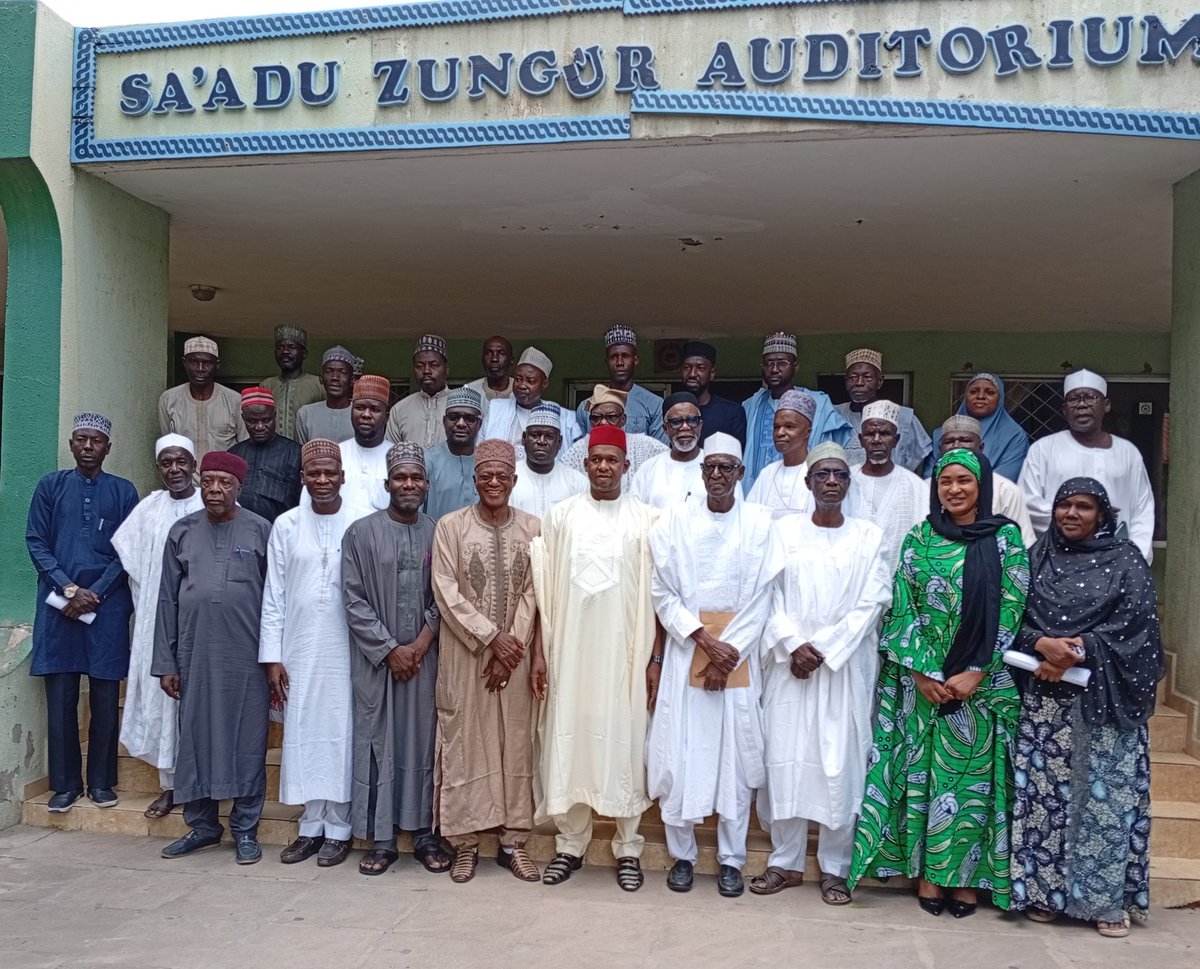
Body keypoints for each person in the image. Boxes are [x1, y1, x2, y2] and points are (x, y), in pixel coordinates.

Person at [849, 449, 1030, 917]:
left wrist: (977, 670)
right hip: (925, 685)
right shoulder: (919, 537)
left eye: (963, 481)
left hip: (980, 687)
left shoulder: (1006, 539)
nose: (953, 489)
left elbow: (1012, 606)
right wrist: (921, 671)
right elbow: (902, 606)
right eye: (944, 481)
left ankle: (967, 881)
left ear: (982, 487)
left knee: (972, 789)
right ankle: (929, 876)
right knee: (926, 781)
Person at [1010, 478, 1164, 937]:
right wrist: (1041, 644)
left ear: (1103, 515)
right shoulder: (1038, 556)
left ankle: (1104, 903)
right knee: (1046, 800)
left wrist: (1077, 651)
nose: (1071, 514)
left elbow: (1138, 631)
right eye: (1063, 505)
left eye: (1083, 507)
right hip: (1045, 704)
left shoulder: (1125, 560)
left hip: (1105, 701)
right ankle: (1044, 894)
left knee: (1105, 803)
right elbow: (1011, 613)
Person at [749, 442, 891, 905]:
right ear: (808, 482)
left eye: (839, 475)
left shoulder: (868, 536)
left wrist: (824, 649)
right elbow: (765, 594)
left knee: (840, 766)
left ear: (849, 484)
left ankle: (835, 868)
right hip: (790, 668)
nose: (831, 481)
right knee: (786, 761)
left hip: (842, 669)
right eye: (823, 474)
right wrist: (793, 645)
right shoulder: (782, 531)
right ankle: (785, 862)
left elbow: (873, 601)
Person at [646, 433, 781, 898]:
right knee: (681, 756)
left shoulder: (762, 524)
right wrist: (704, 639)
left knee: (735, 762)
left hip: (738, 659)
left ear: (741, 473)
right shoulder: (675, 523)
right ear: (701, 473)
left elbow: (765, 596)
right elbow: (661, 591)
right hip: (689, 650)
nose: (718, 475)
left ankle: (731, 860)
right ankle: (682, 856)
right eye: (711, 468)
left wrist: (729, 653)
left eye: (727, 468)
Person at [532, 424, 661, 892]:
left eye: (612, 460)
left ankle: (628, 848)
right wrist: (541, 656)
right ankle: (571, 845)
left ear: (627, 466)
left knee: (624, 744)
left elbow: (660, 598)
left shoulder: (648, 520)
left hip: (626, 659)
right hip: (568, 653)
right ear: (585, 464)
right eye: (596, 459)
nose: (604, 467)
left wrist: (654, 660)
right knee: (573, 742)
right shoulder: (560, 516)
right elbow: (543, 592)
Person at [431, 439, 543, 884]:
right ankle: (465, 843)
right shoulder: (450, 527)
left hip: (513, 656)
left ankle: (514, 841)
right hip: (464, 654)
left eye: (502, 476)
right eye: (486, 476)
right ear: (474, 480)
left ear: (515, 481)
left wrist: (511, 645)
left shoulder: (534, 529)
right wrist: (491, 638)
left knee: (514, 741)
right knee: (465, 740)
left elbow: (536, 590)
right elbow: (444, 589)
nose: (494, 483)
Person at [154, 451, 272, 865]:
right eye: (208, 482)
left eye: (224, 483)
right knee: (196, 739)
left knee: (248, 740)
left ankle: (245, 829)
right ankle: (202, 826)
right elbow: (166, 599)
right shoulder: (181, 532)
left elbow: (275, 601)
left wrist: (274, 658)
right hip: (194, 655)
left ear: (239, 487)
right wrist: (166, 662)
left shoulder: (261, 530)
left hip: (247, 659)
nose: (215, 490)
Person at [340, 442, 451, 877]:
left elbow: (444, 595)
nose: (408, 484)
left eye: (415, 478)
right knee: (379, 743)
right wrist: (389, 650)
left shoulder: (439, 533)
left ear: (426, 485)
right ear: (387, 484)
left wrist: (420, 644)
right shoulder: (360, 533)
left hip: (425, 660)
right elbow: (353, 600)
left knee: (423, 742)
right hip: (377, 663)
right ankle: (382, 838)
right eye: (400, 478)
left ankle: (423, 834)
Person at [26, 413, 138, 813]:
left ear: (108, 447)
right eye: (80, 439)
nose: (88, 446)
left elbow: (129, 548)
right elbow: (36, 541)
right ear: (71, 444)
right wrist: (69, 588)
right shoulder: (50, 486)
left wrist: (96, 593)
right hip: (59, 606)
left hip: (106, 608)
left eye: (96, 440)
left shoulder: (124, 491)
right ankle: (65, 785)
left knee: (106, 696)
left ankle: (103, 782)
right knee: (61, 698)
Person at [259, 439, 356, 868]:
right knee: (303, 734)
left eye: (329, 473)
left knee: (341, 732)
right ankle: (310, 825)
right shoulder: (285, 525)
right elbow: (274, 595)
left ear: (342, 477)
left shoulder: (360, 522)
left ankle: (340, 825)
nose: (321, 480)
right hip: (298, 646)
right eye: (313, 473)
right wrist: (272, 656)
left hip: (347, 648)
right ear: (302, 478)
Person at [111, 434, 203, 820]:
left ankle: (199, 786)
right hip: (156, 618)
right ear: (158, 467)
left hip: (201, 621)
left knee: (199, 701)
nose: (175, 469)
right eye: (166, 462)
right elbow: (130, 559)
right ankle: (171, 785)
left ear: (194, 464)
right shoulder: (148, 509)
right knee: (163, 701)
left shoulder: (210, 501)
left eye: (182, 461)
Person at [1020, 369, 1155, 562]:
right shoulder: (1043, 449)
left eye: (1090, 398)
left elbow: (1143, 510)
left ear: (1106, 405)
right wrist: (1079, 524)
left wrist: (1136, 557)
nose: (1082, 405)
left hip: (1116, 559)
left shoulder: (1128, 452)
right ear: (1064, 409)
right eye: (1074, 399)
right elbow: (1028, 502)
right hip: (1059, 557)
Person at [742, 332, 850, 491]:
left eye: (782, 363)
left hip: (803, 488)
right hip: (758, 490)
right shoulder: (751, 404)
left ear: (796, 366)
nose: (774, 369)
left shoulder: (818, 403)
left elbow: (833, 447)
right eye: (769, 363)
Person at [845, 400, 927, 571]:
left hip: (898, 584)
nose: (876, 440)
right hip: (852, 580)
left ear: (896, 440)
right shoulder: (844, 482)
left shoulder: (916, 487)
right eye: (869, 434)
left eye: (884, 434)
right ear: (860, 440)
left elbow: (923, 542)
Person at [939, 415, 1036, 547]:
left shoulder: (1005, 490)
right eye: (949, 441)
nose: (956, 446)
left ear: (981, 447)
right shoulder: (925, 487)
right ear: (940, 448)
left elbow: (1022, 543)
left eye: (965, 440)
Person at [836, 348, 931, 473]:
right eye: (853, 377)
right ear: (845, 381)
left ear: (879, 381)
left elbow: (925, 458)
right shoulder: (834, 415)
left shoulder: (904, 417)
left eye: (867, 377)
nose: (859, 383)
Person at [158, 336, 247, 463]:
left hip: (223, 479)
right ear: (184, 363)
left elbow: (245, 447)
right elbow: (167, 447)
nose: (200, 369)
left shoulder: (235, 401)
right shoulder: (168, 400)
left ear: (217, 365)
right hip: (184, 481)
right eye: (194, 362)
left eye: (207, 363)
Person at [575, 325, 667, 443]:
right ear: (606, 362)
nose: (619, 362)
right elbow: (579, 451)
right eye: (614, 357)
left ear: (636, 360)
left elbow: (658, 452)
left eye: (625, 356)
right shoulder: (585, 408)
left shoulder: (654, 404)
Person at [560, 385, 666, 487]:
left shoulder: (646, 445)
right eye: (596, 417)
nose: (603, 422)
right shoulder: (578, 449)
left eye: (611, 417)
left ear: (623, 419)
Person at [931, 372, 1029, 481]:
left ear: (1000, 399)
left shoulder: (1014, 436)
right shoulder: (941, 434)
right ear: (965, 397)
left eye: (990, 392)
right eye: (973, 391)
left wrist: (969, 489)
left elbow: (1006, 478)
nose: (981, 396)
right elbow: (929, 477)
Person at [482, 346, 580, 451]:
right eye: (518, 379)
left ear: (544, 384)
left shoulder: (562, 418)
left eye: (530, 381)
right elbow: (481, 448)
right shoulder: (496, 409)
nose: (522, 385)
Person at [229, 387, 302, 524]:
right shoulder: (234, 454)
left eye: (266, 420)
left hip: (281, 533)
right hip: (240, 532)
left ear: (275, 416)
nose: (260, 427)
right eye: (252, 421)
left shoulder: (295, 453)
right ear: (243, 419)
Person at [746, 389, 816, 517]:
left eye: (789, 426)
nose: (780, 433)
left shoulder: (821, 475)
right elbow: (751, 522)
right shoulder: (767, 474)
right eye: (776, 427)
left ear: (808, 432)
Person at [508, 404, 587, 518]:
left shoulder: (577, 482)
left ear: (559, 442)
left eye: (549, 436)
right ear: (524, 438)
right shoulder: (508, 479)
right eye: (535, 435)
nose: (541, 441)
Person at [630, 392, 707, 508]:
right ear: (665, 428)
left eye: (692, 420)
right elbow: (635, 515)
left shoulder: (718, 468)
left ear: (700, 425)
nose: (685, 427)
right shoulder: (648, 469)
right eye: (676, 422)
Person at [335, 375, 393, 519]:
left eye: (375, 409)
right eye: (360, 408)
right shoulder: (335, 454)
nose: (366, 415)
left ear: (386, 417)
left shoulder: (397, 457)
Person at [422, 386, 484, 520]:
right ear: (444, 422)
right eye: (453, 417)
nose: (461, 423)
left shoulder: (486, 462)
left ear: (479, 424)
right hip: (438, 540)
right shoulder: (428, 461)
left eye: (469, 418)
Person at [262, 323, 324, 440]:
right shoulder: (267, 385)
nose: (285, 351)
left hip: (307, 453)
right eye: (280, 347)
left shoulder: (318, 385)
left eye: (292, 347)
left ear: (304, 354)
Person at [386, 334, 451, 446]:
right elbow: (390, 452)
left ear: (447, 369)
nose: (426, 371)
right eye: (420, 366)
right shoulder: (400, 409)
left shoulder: (461, 405)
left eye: (434, 365)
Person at [679, 340, 746, 445]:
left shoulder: (732, 412)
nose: (692, 374)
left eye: (700, 368)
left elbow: (735, 455)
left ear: (712, 373)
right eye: (687, 367)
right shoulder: (673, 410)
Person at [297, 345, 357, 445]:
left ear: (352, 379)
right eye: (329, 371)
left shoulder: (361, 414)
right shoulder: (306, 414)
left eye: (343, 372)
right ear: (321, 378)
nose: (335, 377)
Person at [463, 335, 514, 418]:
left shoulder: (521, 391)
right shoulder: (468, 391)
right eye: (489, 353)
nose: (494, 359)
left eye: (501, 353)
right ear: (482, 359)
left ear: (511, 359)